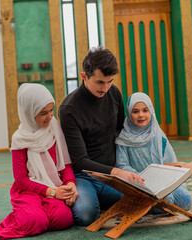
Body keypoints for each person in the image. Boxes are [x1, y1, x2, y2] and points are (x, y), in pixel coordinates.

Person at [58, 46, 144, 226]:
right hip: (85, 176)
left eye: (110, 81)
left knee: (151, 202)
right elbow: (80, 161)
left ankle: (103, 199)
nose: (105, 88)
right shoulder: (69, 109)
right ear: (84, 76)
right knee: (86, 216)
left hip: (112, 175)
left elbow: (123, 132)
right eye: (99, 82)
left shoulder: (114, 93)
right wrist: (117, 172)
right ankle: (91, 199)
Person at [0, 83, 78, 239]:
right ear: (28, 113)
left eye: (51, 110)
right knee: (36, 222)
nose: (49, 117)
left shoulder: (54, 128)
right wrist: (53, 192)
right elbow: (21, 180)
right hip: (29, 191)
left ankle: (40, 213)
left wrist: (70, 184)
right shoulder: (20, 140)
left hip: (54, 186)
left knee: (64, 219)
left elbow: (65, 164)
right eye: (42, 113)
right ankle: (31, 214)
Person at [115, 92, 192, 211]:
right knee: (167, 201)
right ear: (129, 113)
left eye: (145, 110)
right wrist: (143, 178)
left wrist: (163, 178)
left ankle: (153, 205)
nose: (141, 115)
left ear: (151, 111)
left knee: (186, 200)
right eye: (135, 111)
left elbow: (170, 161)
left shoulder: (158, 135)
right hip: (137, 183)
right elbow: (122, 165)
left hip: (161, 180)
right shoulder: (123, 138)